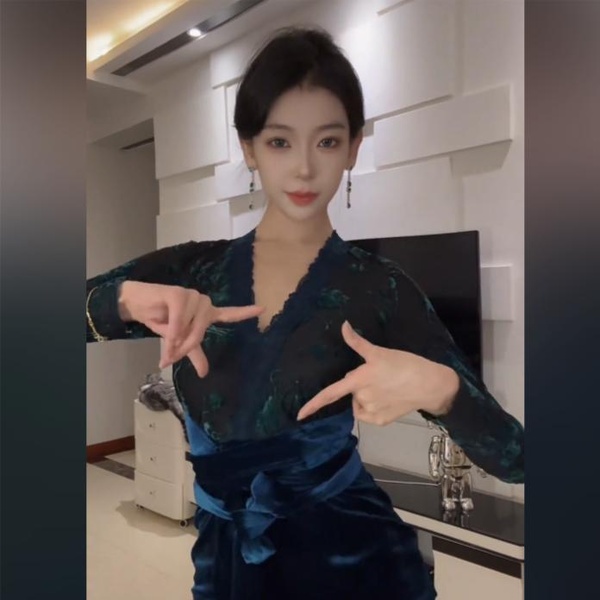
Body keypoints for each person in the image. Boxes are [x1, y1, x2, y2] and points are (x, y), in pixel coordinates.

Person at [86, 27, 524, 600]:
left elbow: (515, 458)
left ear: (353, 148)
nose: (304, 169)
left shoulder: (380, 287)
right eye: (279, 142)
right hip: (225, 568)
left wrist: (440, 389)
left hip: (358, 568)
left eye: (327, 141)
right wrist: (124, 299)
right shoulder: (194, 269)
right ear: (248, 148)